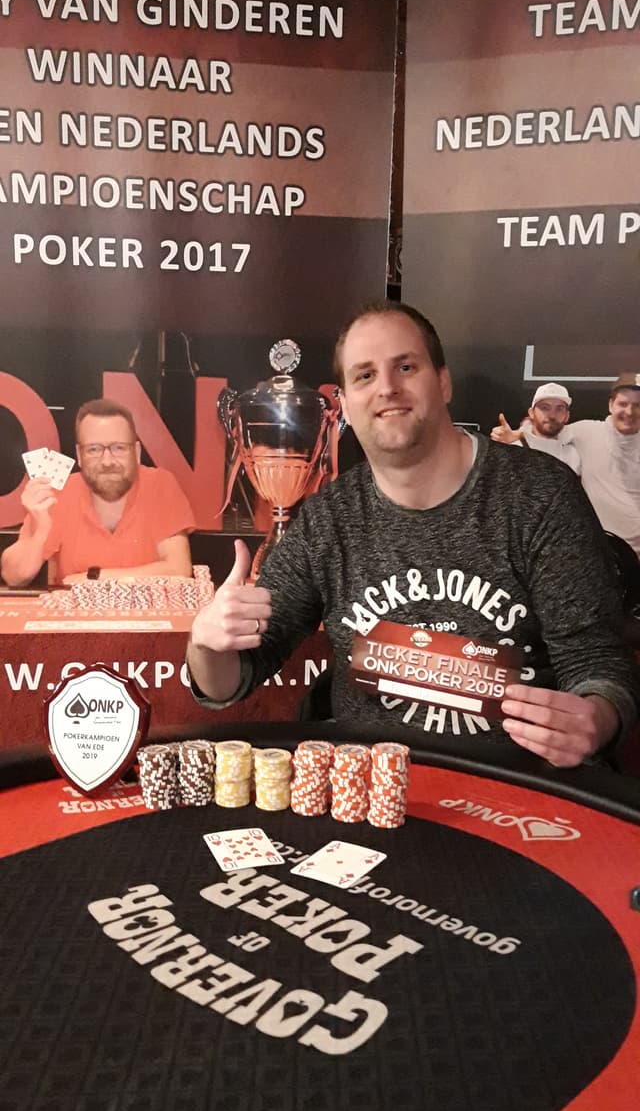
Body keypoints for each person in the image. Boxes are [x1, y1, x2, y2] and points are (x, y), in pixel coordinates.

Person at [187, 301, 639, 769]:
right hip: (370, 787)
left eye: (405, 367)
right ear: (344, 405)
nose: (387, 387)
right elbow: (231, 680)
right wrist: (206, 644)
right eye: (364, 375)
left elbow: (599, 667)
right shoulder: (327, 519)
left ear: (443, 383)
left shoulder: (539, 494)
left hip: (521, 783)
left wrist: (595, 718)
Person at [1, 398, 195, 586]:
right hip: (75, 609)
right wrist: (40, 532)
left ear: (136, 452)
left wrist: (93, 579)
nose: (107, 461)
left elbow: (178, 570)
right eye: (94, 449)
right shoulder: (57, 494)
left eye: (119, 448)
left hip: (145, 608)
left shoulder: (160, 484)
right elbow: (14, 577)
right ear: (79, 455)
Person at [492, 375, 640, 558]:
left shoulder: (574, 449)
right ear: (611, 405)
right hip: (594, 550)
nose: (630, 411)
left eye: (637, 405)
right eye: (623, 404)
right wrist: (517, 435)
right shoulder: (587, 432)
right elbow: (545, 431)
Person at [491, 383, 581, 473]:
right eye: (545, 408)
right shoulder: (513, 451)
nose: (552, 415)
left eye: (559, 409)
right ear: (531, 413)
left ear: (567, 416)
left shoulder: (572, 456)